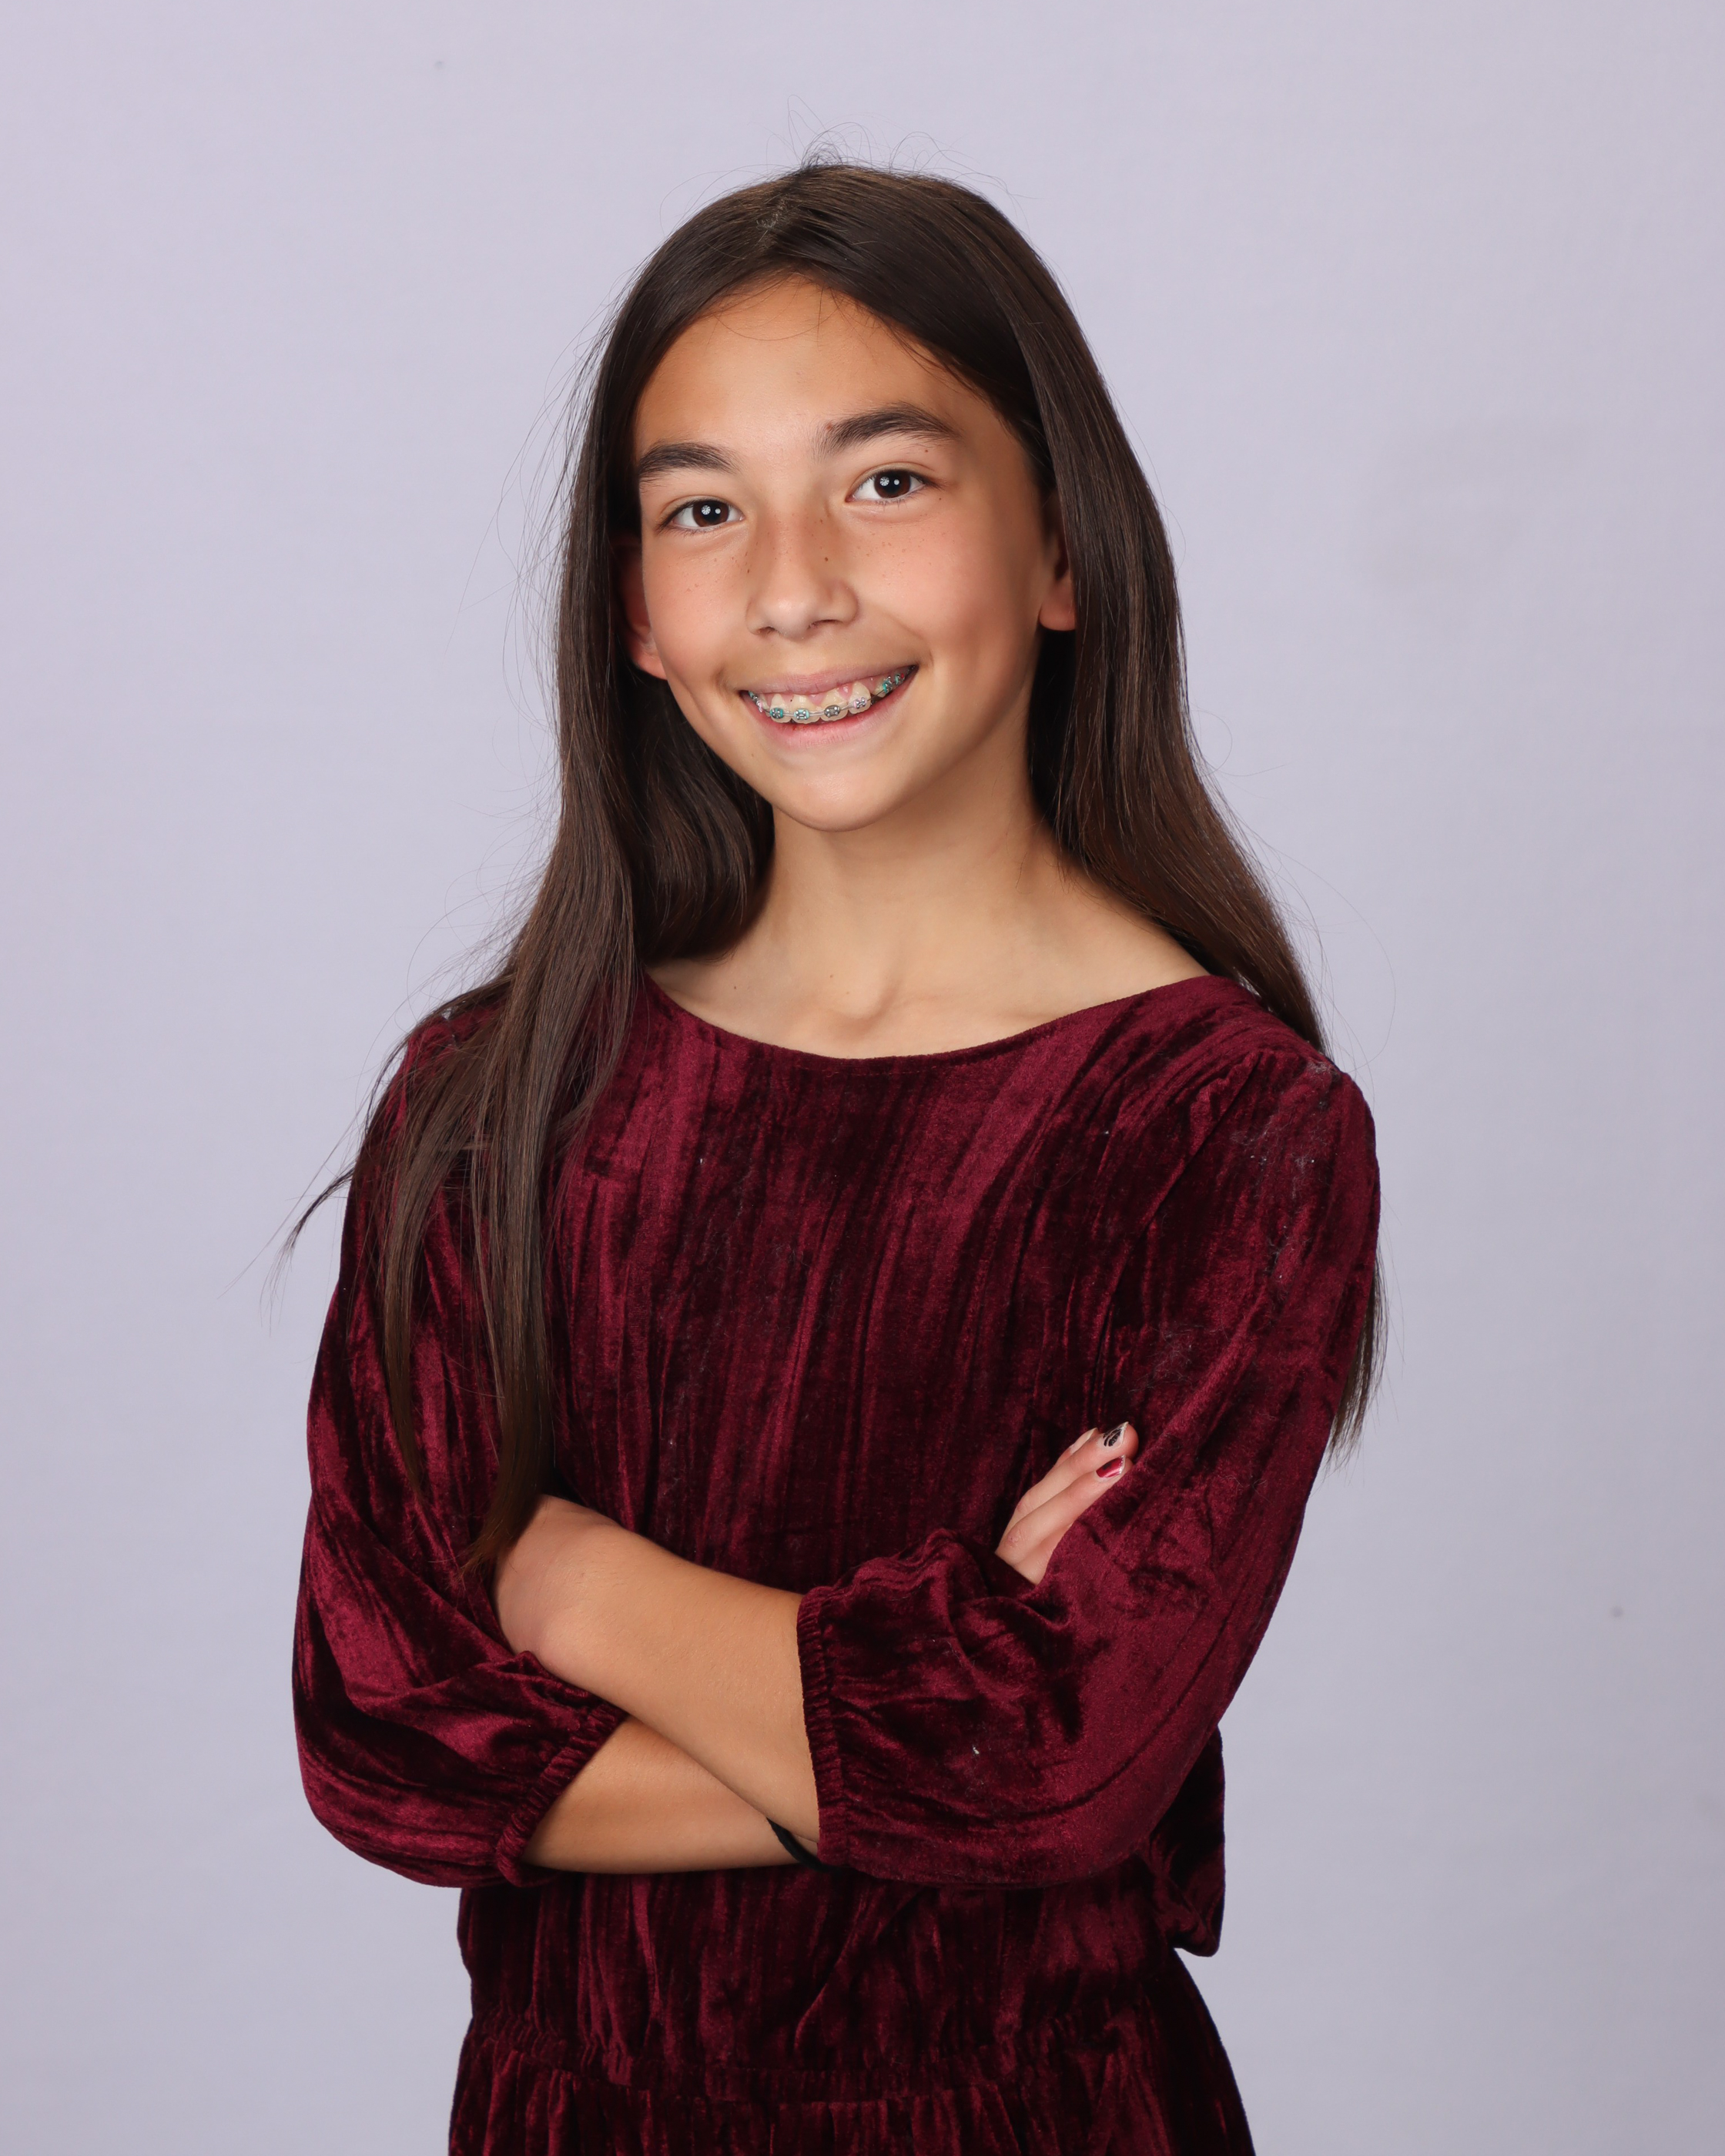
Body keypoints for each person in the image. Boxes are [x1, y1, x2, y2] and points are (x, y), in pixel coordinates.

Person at [291, 159, 1382, 2155]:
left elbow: (1059, 1769)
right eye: (703, 510)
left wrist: (559, 1575)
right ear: (635, 612)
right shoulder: (493, 1104)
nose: (791, 586)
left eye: (885, 481)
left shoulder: (1224, 1133)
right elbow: (387, 1739)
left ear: (1063, 550)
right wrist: (920, 1709)